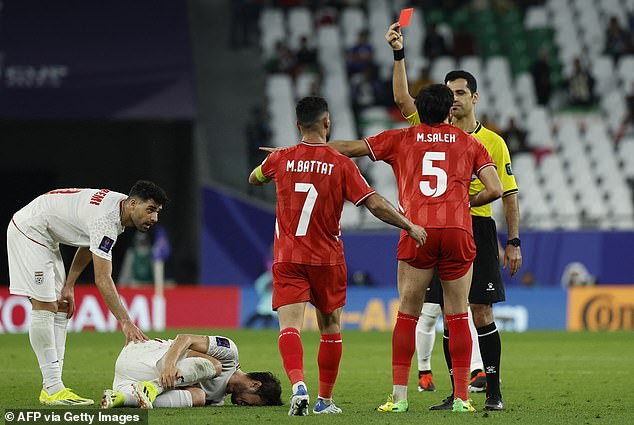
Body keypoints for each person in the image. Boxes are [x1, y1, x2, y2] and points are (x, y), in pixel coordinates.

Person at [318, 84, 503, 413]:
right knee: (458, 313)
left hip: (417, 230)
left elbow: (350, 148)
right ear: (449, 111)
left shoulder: (401, 138)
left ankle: (400, 398)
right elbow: (496, 188)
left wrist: (311, 149)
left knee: (408, 313)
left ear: (422, 109)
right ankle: (462, 398)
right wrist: (465, 202)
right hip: (458, 231)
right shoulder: (470, 143)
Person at [250, 96, 427, 416]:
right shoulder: (341, 164)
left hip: (288, 257)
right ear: (327, 123)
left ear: (297, 125)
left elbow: (254, 178)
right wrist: (408, 224)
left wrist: (275, 161)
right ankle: (324, 401)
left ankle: (298, 385)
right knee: (330, 328)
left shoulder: (281, 158)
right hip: (327, 259)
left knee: (289, 328)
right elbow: (373, 204)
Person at [385, 22, 522, 411]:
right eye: (451, 93)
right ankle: (457, 391)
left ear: (474, 97)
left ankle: (493, 393)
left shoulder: (491, 141)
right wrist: (399, 52)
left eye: (461, 92)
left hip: (475, 226)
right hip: (440, 228)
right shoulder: (427, 128)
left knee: (479, 310)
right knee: (448, 312)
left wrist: (513, 241)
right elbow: (401, 96)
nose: (456, 99)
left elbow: (508, 194)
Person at [7, 181, 168, 406]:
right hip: (30, 230)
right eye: (150, 210)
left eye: (157, 212)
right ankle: (53, 388)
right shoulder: (107, 219)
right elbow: (102, 279)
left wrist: (69, 285)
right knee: (44, 305)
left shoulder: (118, 209)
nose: (154, 218)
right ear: (132, 204)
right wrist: (125, 321)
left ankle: (53, 387)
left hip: (45, 234)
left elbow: (89, 243)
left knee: (61, 306)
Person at [101, 333, 282, 408]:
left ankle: (124, 398)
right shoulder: (229, 354)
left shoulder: (217, 400)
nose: (245, 405)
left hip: (125, 382)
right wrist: (170, 365)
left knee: (198, 396)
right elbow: (185, 338)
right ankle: (153, 387)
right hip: (144, 357)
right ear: (255, 384)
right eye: (252, 403)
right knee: (215, 366)